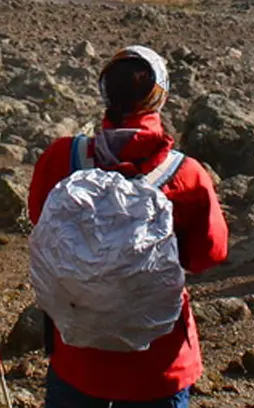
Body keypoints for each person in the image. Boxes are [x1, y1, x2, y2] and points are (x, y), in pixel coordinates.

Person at [28, 46, 229, 408]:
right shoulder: (186, 176)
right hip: (157, 359)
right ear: (160, 97)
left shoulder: (62, 157)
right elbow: (208, 255)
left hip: (78, 353)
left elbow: (39, 221)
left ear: (106, 93)